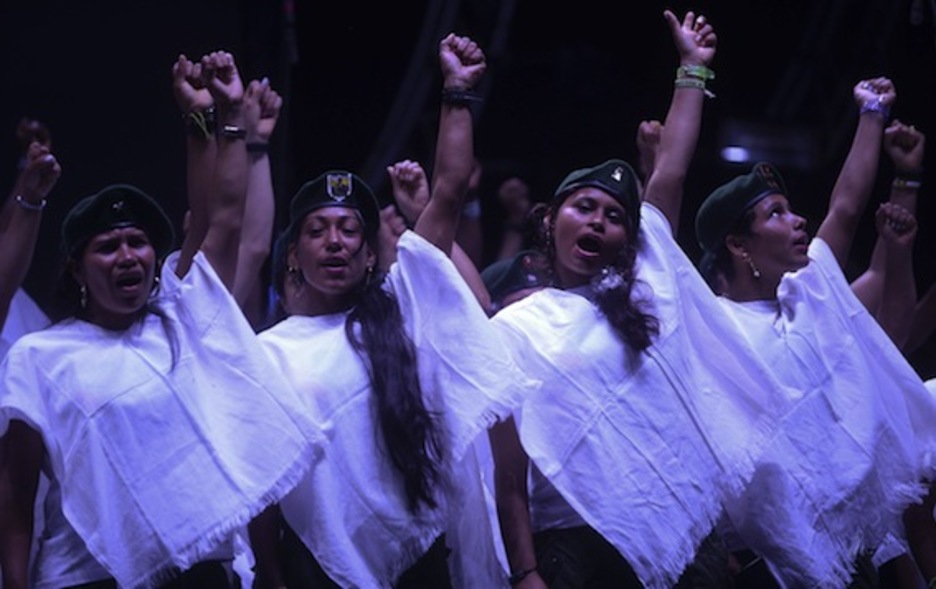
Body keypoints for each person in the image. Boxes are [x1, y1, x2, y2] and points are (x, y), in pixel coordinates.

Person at [488, 10, 791, 588]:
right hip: (571, 547)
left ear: (632, 238)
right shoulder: (515, 327)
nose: (599, 222)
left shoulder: (646, 291)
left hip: (675, 532)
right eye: (584, 208)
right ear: (550, 221)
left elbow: (670, 175)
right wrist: (524, 571)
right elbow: (510, 470)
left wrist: (692, 71)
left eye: (615, 217)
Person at [0, 50, 322, 589]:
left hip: (201, 572)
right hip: (88, 577)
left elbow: (222, 218)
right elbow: (14, 493)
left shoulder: (179, 323)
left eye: (137, 243)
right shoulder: (41, 357)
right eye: (107, 246)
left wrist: (217, 117)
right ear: (77, 267)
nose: (127, 255)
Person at [251, 33, 527, 588]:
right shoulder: (268, 352)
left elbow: (447, 193)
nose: (335, 242)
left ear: (370, 249)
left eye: (350, 229)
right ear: (295, 256)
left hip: (420, 551)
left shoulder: (399, 306)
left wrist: (456, 93)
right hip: (315, 563)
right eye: (317, 231)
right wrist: (270, 571)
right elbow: (263, 473)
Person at [693, 78, 936, 587]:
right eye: (776, 214)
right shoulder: (715, 328)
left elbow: (846, 206)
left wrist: (872, 112)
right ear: (738, 246)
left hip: (862, 540)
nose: (798, 220)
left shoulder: (809, 292)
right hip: (780, 559)